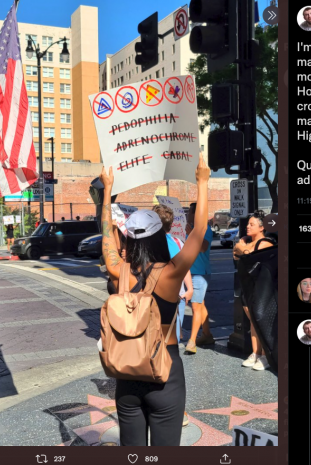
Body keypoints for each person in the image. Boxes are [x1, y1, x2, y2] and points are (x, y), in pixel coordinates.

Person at [99, 154, 210, 446]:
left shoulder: (117, 271)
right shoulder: (170, 275)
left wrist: (108, 193)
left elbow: (106, 236)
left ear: (131, 240)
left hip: (126, 373)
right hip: (165, 372)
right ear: (159, 236)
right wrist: (202, 182)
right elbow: (198, 233)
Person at [232, 211, 274, 370]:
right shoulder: (246, 242)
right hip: (246, 286)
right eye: (248, 224)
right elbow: (236, 254)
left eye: (252, 224)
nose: (247, 227)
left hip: (261, 288)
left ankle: (266, 355)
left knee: (261, 321)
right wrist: (242, 248)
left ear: (262, 227)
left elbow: (250, 256)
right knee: (252, 322)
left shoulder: (266, 243)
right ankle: (255, 352)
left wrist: (242, 248)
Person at [152, 204, 194, 343]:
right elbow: (185, 267)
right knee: (172, 340)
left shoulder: (148, 244)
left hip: (157, 296)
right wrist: (190, 289)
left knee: (156, 339)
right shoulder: (177, 242)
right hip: (177, 295)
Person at [184, 201, 214, 354]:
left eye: (190, 212)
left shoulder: (205, 229)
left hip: (199, 274)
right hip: (189, 273)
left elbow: (202, 247)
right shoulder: (188, 229)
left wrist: (191, 233)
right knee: (200, 305)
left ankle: (192, 341)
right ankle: (207, 335)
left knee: (195, 307)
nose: (188, 214)